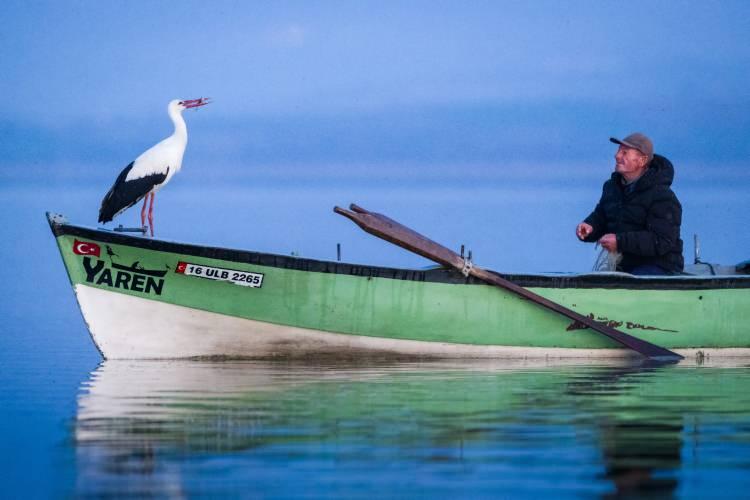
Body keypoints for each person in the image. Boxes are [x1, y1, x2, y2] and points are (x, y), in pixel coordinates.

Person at [576, 133, 683, 275]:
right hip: (625, 266)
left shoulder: (663, 196)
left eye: (624, 152)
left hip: (659, 267)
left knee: (634, 281)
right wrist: (589, 227)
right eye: (618, 151)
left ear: (642, 160)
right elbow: (602, 216)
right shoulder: (611, 187)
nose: (617, 156)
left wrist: (620, 241)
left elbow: (661, 240)